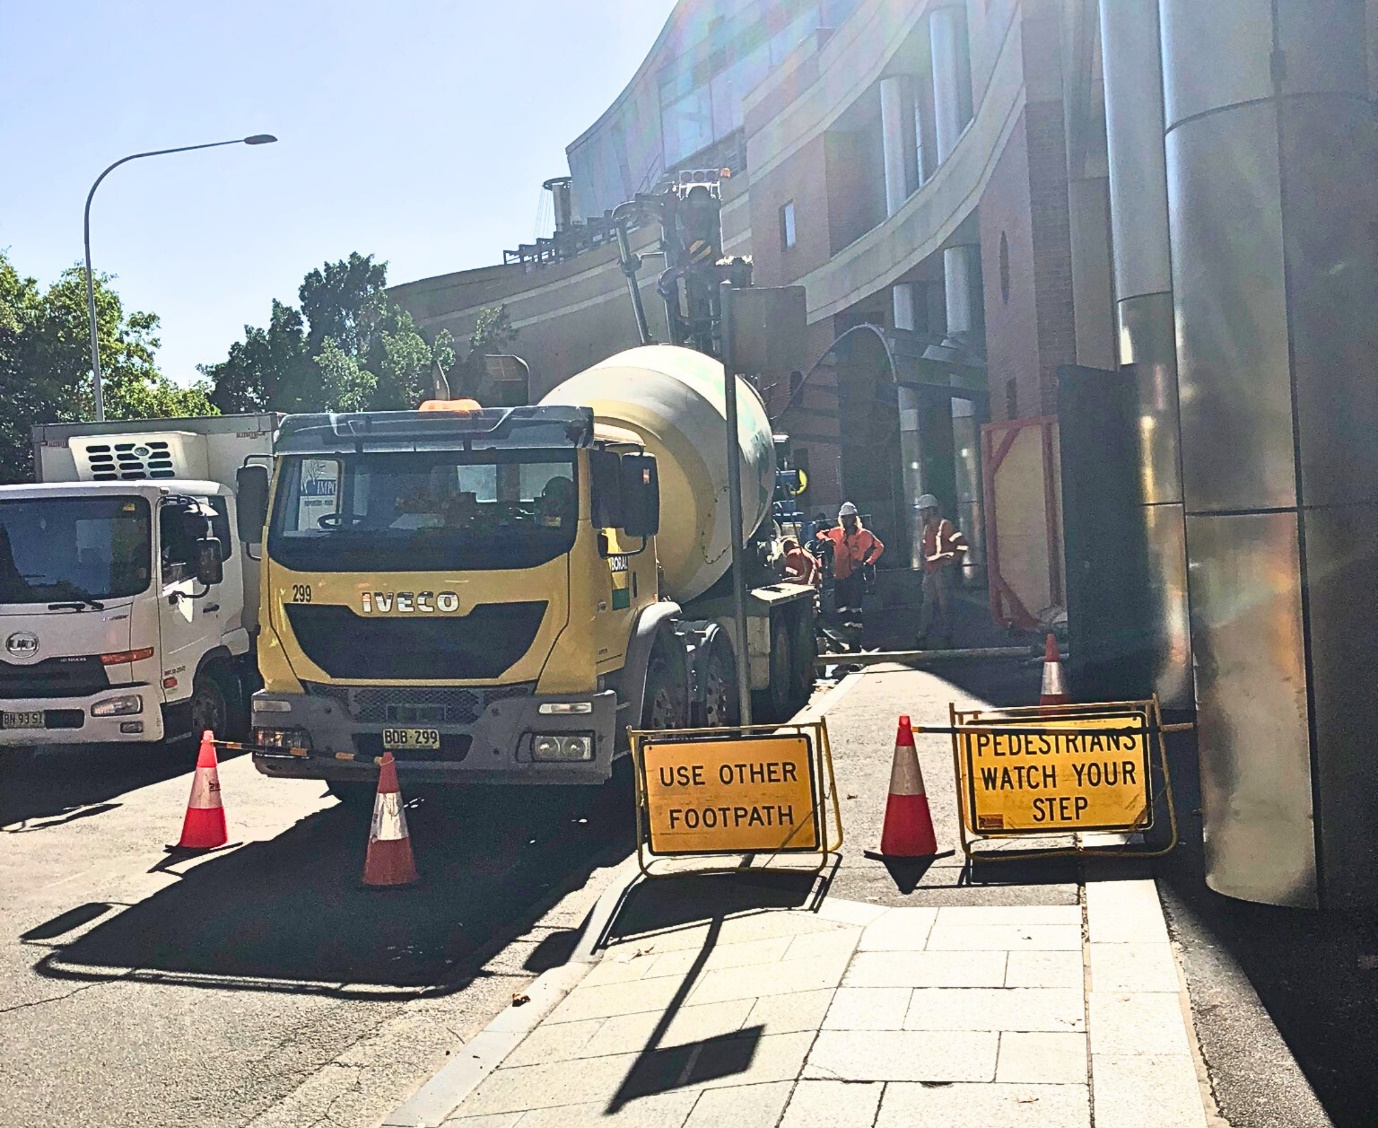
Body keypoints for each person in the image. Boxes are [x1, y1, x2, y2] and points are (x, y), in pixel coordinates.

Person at [815, 501, 883, 634]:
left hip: (855, 576)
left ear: (855, 517)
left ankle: (856, 636)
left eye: (850, 517)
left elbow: (879, 547)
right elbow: (819, 533)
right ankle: (847, 632)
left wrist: (869, 562)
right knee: (841, 607)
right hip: (840, 577)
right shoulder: (836, 533)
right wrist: (826, 540)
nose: (847, 520)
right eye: (844, 517)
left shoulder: (864, 535)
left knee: (855, 607)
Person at [915, 493, 969, 648]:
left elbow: (962, 544)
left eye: (923, 510)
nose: (921, 514)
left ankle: (948, 635)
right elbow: (926, 551)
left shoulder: (945, 526)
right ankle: (922, 635)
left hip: (943, 572)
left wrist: (951, 561)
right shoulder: (927, 529)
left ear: (931, 510)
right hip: (932, 572)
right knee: (928, 604)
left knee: (945, 605)